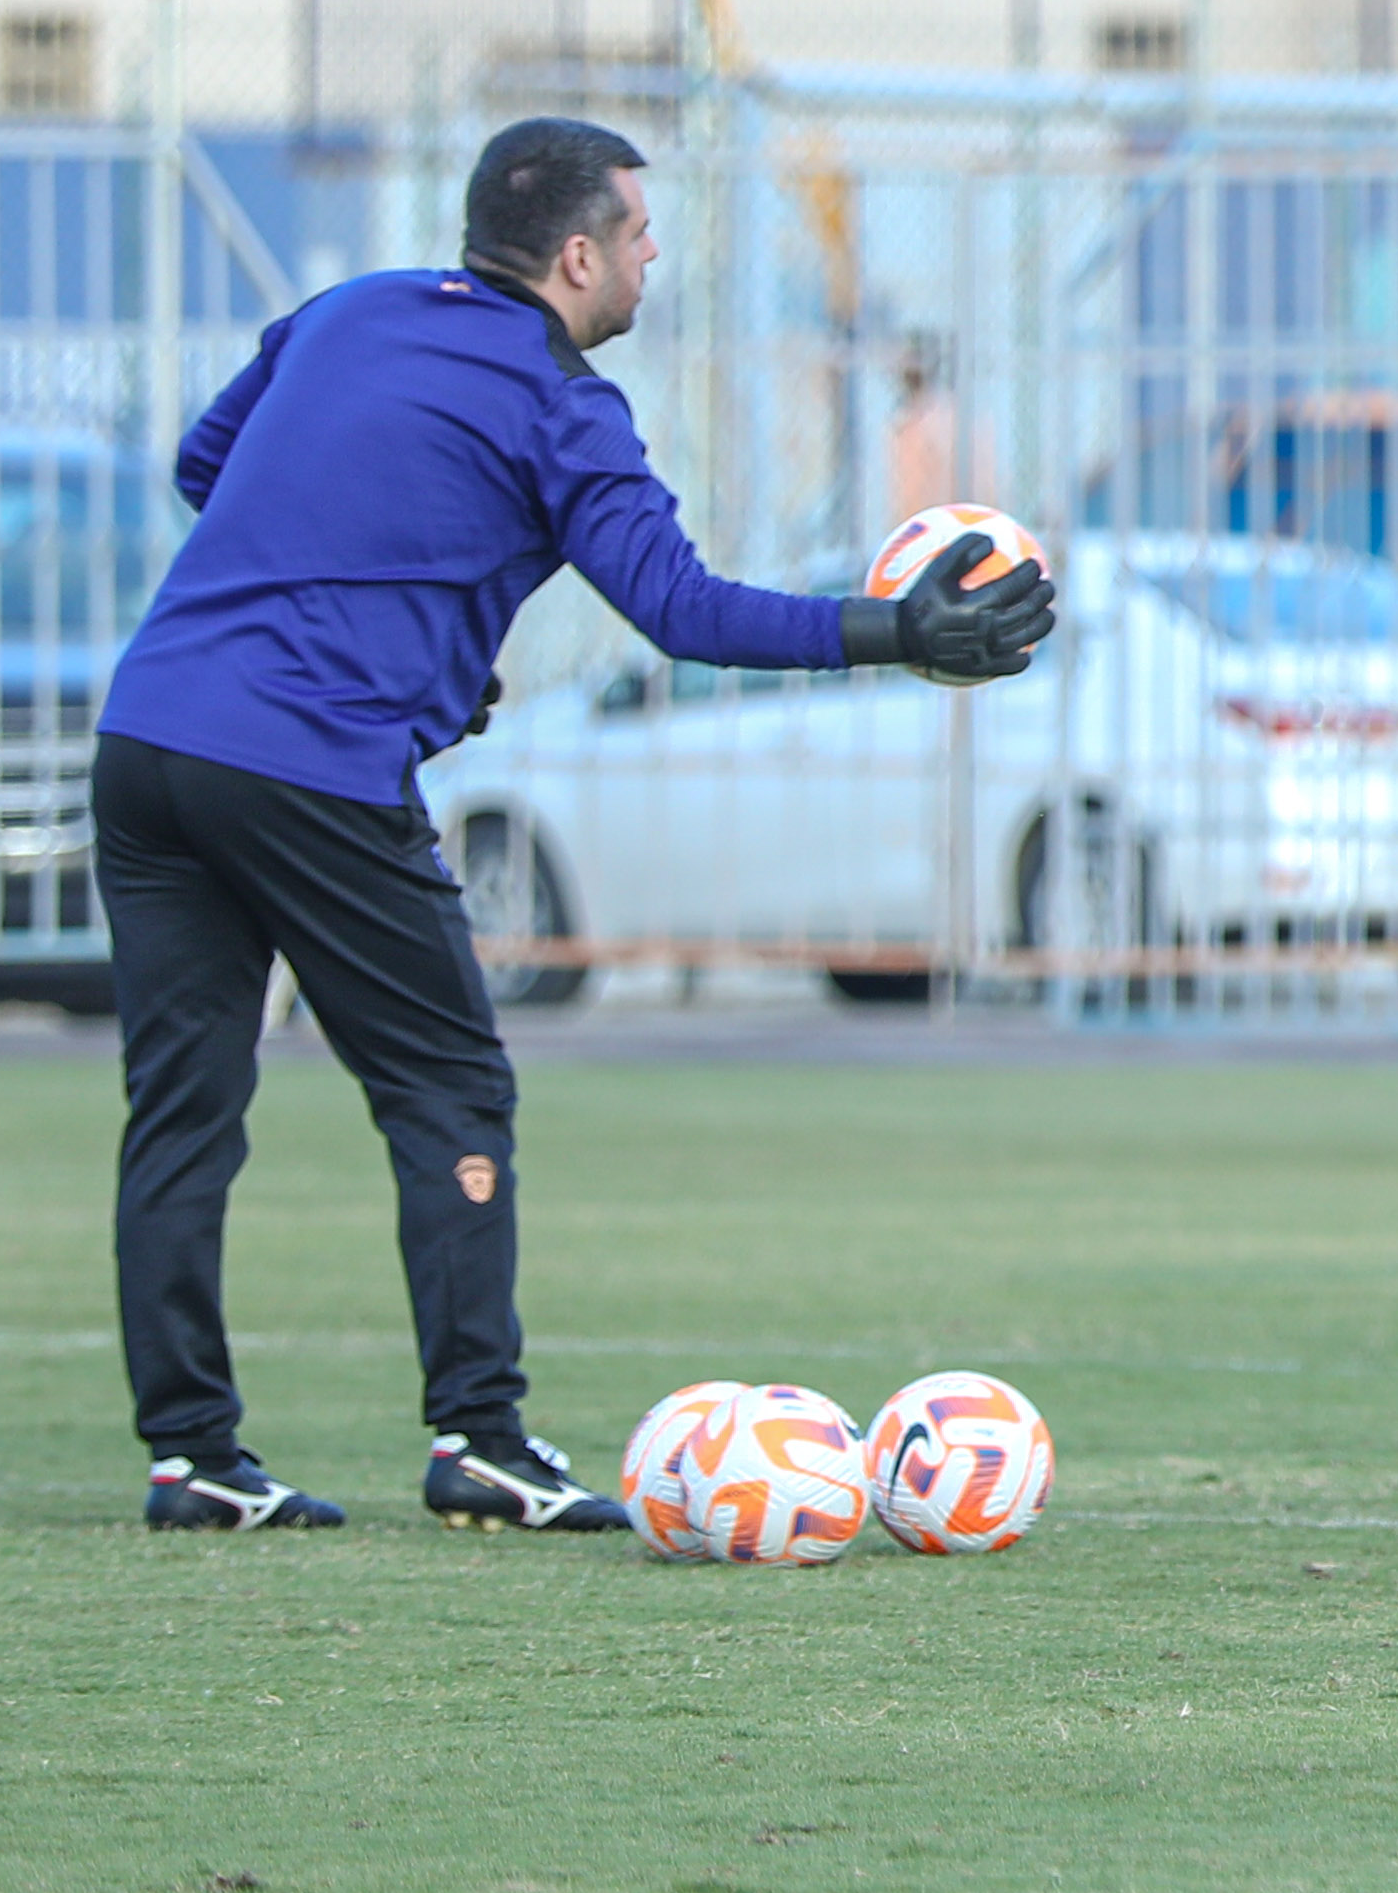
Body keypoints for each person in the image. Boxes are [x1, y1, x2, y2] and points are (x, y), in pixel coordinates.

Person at [92, 116, 1054, 1535]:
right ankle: (479, 1439)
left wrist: (406, 631)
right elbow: (685, 611)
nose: (654, 260)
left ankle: (192, 1460)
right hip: (310, 763)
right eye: (642, 237)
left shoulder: (349, 312)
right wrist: (896, 631)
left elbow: (202, 466)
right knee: (451, 1094)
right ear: (579, 254)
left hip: (152, 738)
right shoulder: (562, 407)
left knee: (182, 1109)